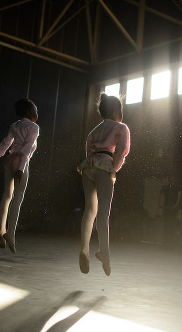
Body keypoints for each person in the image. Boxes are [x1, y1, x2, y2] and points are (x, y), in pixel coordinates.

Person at [77, 93, 131, 276]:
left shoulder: (94, 131)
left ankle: (84, 247)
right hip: (104, 165)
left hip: (89, 166)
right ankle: (104, 254)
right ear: (116, 111)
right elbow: (122, 150)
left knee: (89, 209)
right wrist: (113, 169)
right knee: (103, 213)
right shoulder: (121, 127)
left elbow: (88, 152)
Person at [0, 99, 39, 254]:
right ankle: (11, 234)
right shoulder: (34, 127)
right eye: (35, 110)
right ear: (29, 111)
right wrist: (21, 168)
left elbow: (5, 144)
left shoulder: (14, 126)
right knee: (18, 197)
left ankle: (1, 230)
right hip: (21, 161)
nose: (37, 113)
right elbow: (27, 148)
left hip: (9, 160)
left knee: (6, 196)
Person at [158, 176, 182, 249]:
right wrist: (160, 204)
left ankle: (170, 244)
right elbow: (161, 196)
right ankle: (166, 243)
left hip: (172, 209)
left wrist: (174, 206)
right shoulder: (165, 187)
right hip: (167, 208)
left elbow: (178, 197)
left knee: (171, 226)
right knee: (167, 226)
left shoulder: (177, 187)